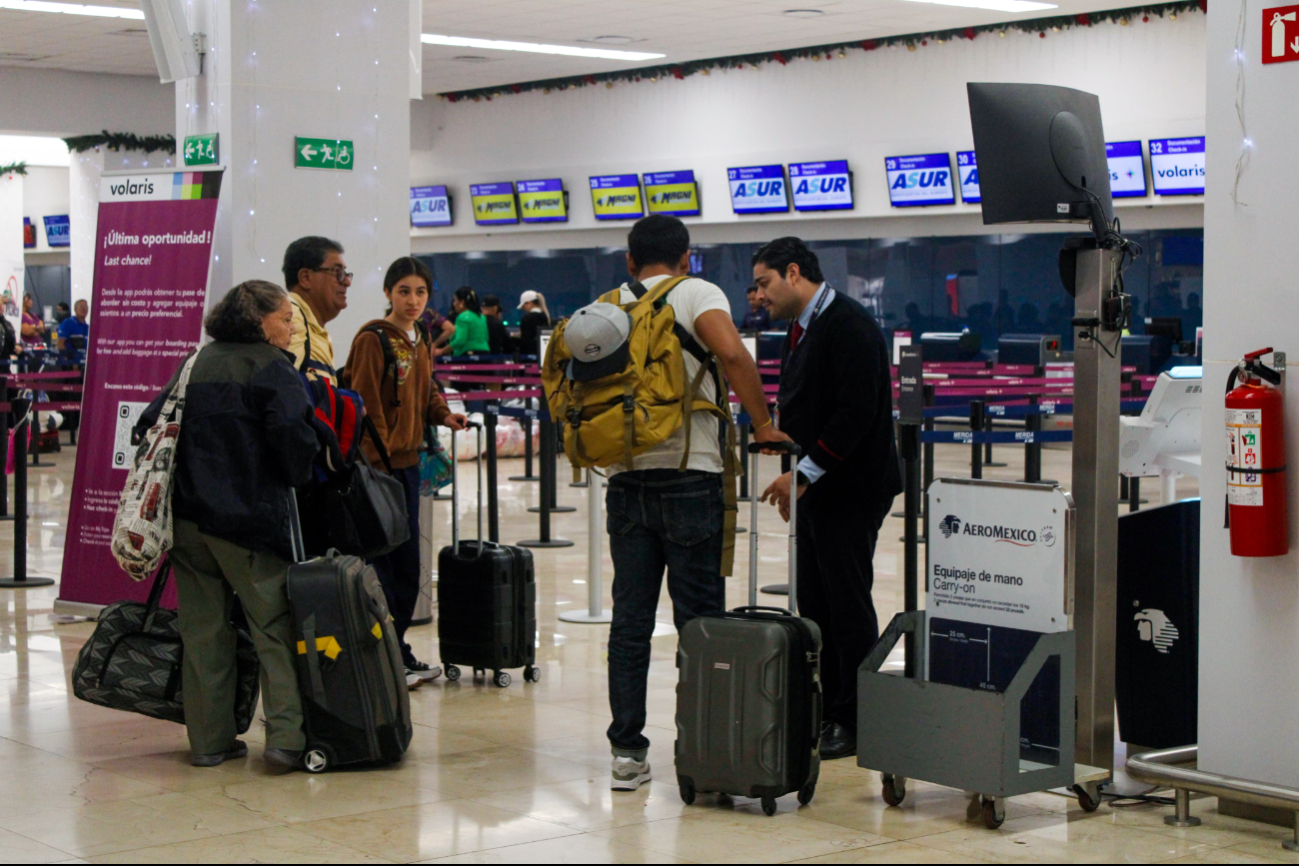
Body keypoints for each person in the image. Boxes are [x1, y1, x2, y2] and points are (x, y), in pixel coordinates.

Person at [598, 215, 790, 791]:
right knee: (699, 623)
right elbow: (732, 355)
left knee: (630, 622)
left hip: (626, 480)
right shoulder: (697, 293)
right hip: (691, 475)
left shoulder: (608, 304)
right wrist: (763, 424)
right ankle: (707, 745)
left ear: (631, 262)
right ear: (687, 258)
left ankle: (627, 753)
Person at [136, 280, 321, 773]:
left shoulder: (196, 362)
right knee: (273, 629)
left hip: (188, 522)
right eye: (285, 318)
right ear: (260, 321)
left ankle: (209, 741)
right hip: (248, 523)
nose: (290, 327)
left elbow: (149, 424)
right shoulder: (271, 367)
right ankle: (285, 740)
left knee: (203, 632)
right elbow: (293, 439)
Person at [753, 237, 902, 761]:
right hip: (818, 484)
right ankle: (828, 703)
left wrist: (803, 476)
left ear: (794, 273)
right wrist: (796, 476)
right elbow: (802, 406)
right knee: (815, 599)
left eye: (765, 283)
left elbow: (855, 413)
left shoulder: (849, 325)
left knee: (846, 601)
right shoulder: (802, 328)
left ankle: (856, 716)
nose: (759, 295)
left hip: (852, 487)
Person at [344, 257, 468, 686]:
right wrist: (376, 465)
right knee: (385, 567)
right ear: (387, 293)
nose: (412, 301)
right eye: (403, 291)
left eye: (420, 292)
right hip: (381, 473)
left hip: (409, 468)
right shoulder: (373, 340)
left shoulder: (420, 337)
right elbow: (365, 408)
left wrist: (443, 414)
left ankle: (395, 651)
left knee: (408, 568)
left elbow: (425, 389)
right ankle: (385, 654)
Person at [283, 236, 351, 383]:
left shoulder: (311, 325)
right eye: (337, 272)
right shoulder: (291, 318)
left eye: (345, 273)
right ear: (305, 278)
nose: (347, 282)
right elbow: (287, 391)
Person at [434, 287, 489, 357]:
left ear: (462, 302)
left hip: (467, 356)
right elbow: (486, 337)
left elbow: (460, 340)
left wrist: (442, 351)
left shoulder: (463, 316)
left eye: (455, 300)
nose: (453, 304)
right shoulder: (482, 317)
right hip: (485, 355)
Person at [516, 290, 550, 357]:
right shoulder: (544, 316)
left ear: (529, 303)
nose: (523, 309)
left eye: (523, 306)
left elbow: (526, 340)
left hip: (529, 355)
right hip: (543, 354)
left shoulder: (527, 318)